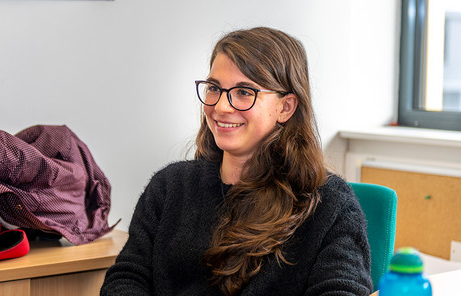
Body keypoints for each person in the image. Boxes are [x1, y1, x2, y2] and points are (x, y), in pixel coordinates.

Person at [100, 27, 372, 296]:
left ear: (285, 107)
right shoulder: (169, 187)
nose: (220, 107)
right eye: (214, 88)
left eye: (244, 92)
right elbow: (127, 277)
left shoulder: (331, 205)